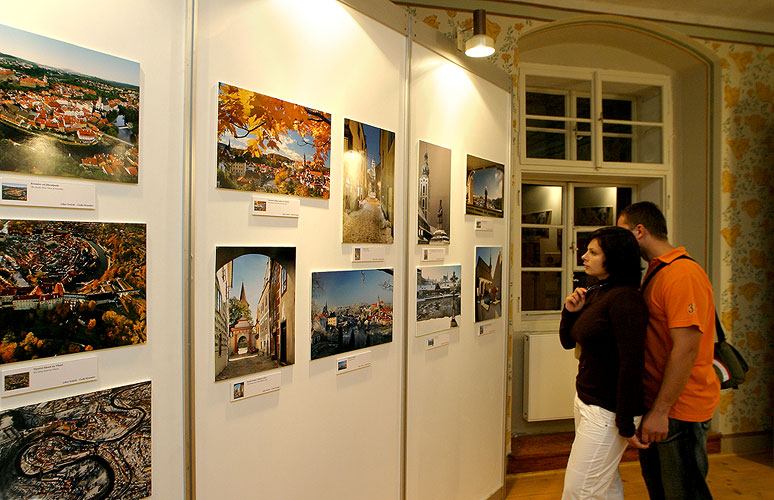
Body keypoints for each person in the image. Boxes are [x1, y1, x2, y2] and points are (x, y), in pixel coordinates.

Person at [618, 201, 720, 500]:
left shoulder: (682, 274)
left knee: (683, 493)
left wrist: (661, 411)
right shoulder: (656, 271)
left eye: (623, 232)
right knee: (662, 491)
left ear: (639, 231)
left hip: (679, 408)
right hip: (661, 403)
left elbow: (686, 349)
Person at [559, 226, 649, 500]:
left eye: (593, 252)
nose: (584, 256)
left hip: (608, 411)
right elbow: (568, 341)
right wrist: (570, 312)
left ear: (614, 258)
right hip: (588, 402)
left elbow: (631, 363)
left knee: (579, 492)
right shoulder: (598, 291)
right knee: (605, 488)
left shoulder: (626, 299)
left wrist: (624, 423)